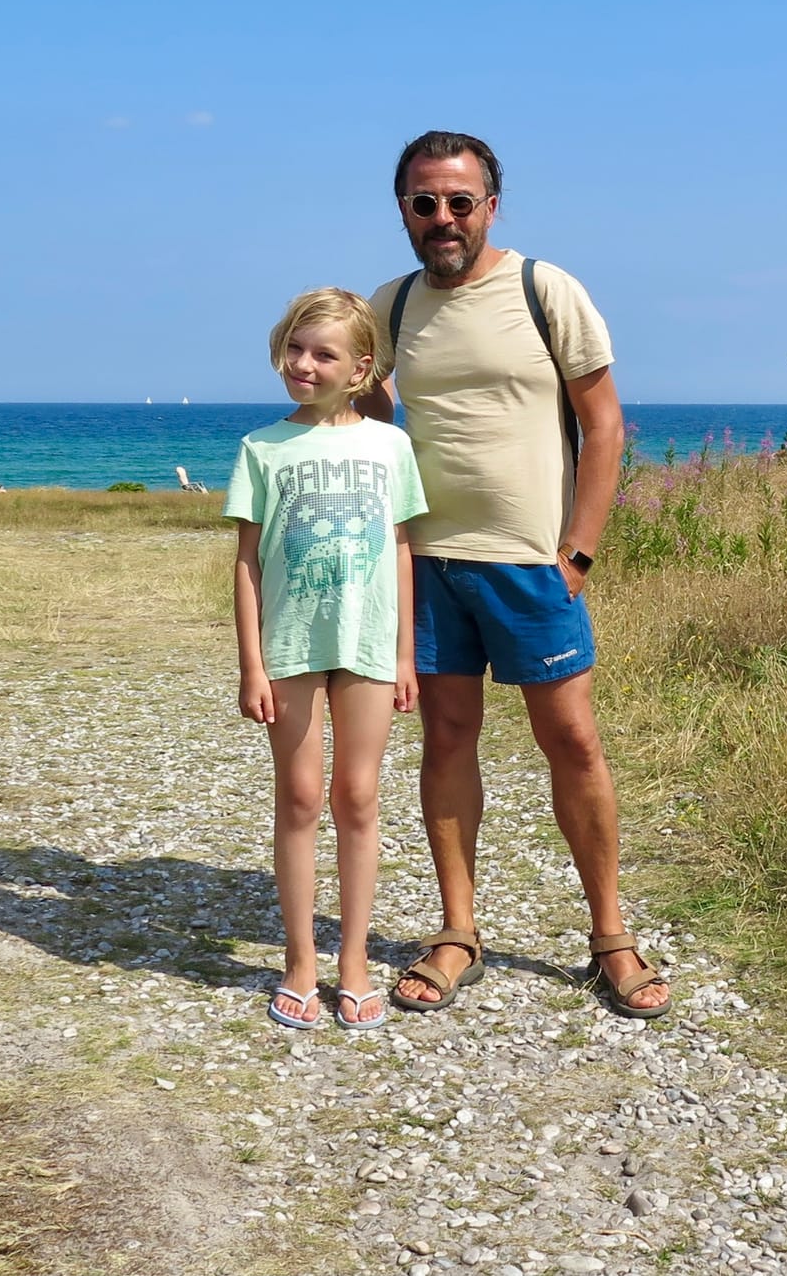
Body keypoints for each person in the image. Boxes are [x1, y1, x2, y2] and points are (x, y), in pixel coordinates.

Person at [359, 131, 671, 1019]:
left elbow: (603, 425)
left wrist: (578, 550)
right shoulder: (390, 305)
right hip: (429, 562)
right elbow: (375, 411)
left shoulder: (546, 290)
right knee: (446, 740)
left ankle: (611, 935)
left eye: (460, 201)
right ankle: (458, 933)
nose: (443, 218)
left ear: (492, 205)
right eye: (425, 203)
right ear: (405, 211)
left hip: (531, 565)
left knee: (570, 741)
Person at [225, 288, 427, 1030]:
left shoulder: (391, 447)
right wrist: (252, 663)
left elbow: (403, 550)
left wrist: (405, 652)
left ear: (362, 368)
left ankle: (354, 963)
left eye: (323, 353)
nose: (303, 364)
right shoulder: (262, 448)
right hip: (291, 645)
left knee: (360, 798)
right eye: (295, 348)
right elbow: (247, 563)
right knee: (302, 797)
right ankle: (300, 960)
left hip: (368, 642)